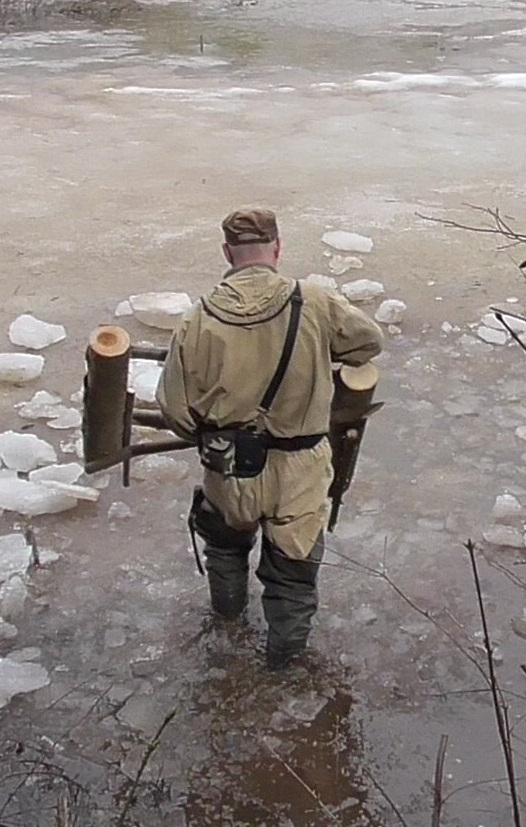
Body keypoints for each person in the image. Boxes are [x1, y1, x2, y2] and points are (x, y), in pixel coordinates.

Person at [156, 208, 384, 670]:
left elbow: (175, 411)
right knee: (292, 578)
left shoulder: (197, 318)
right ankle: (284, 669)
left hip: (230, 467)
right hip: (300, 468)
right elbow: (368, 342)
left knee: (225, 550)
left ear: (227, 253)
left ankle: (226, 636)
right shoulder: (314, 301)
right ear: (277, 249)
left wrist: (212, 430)